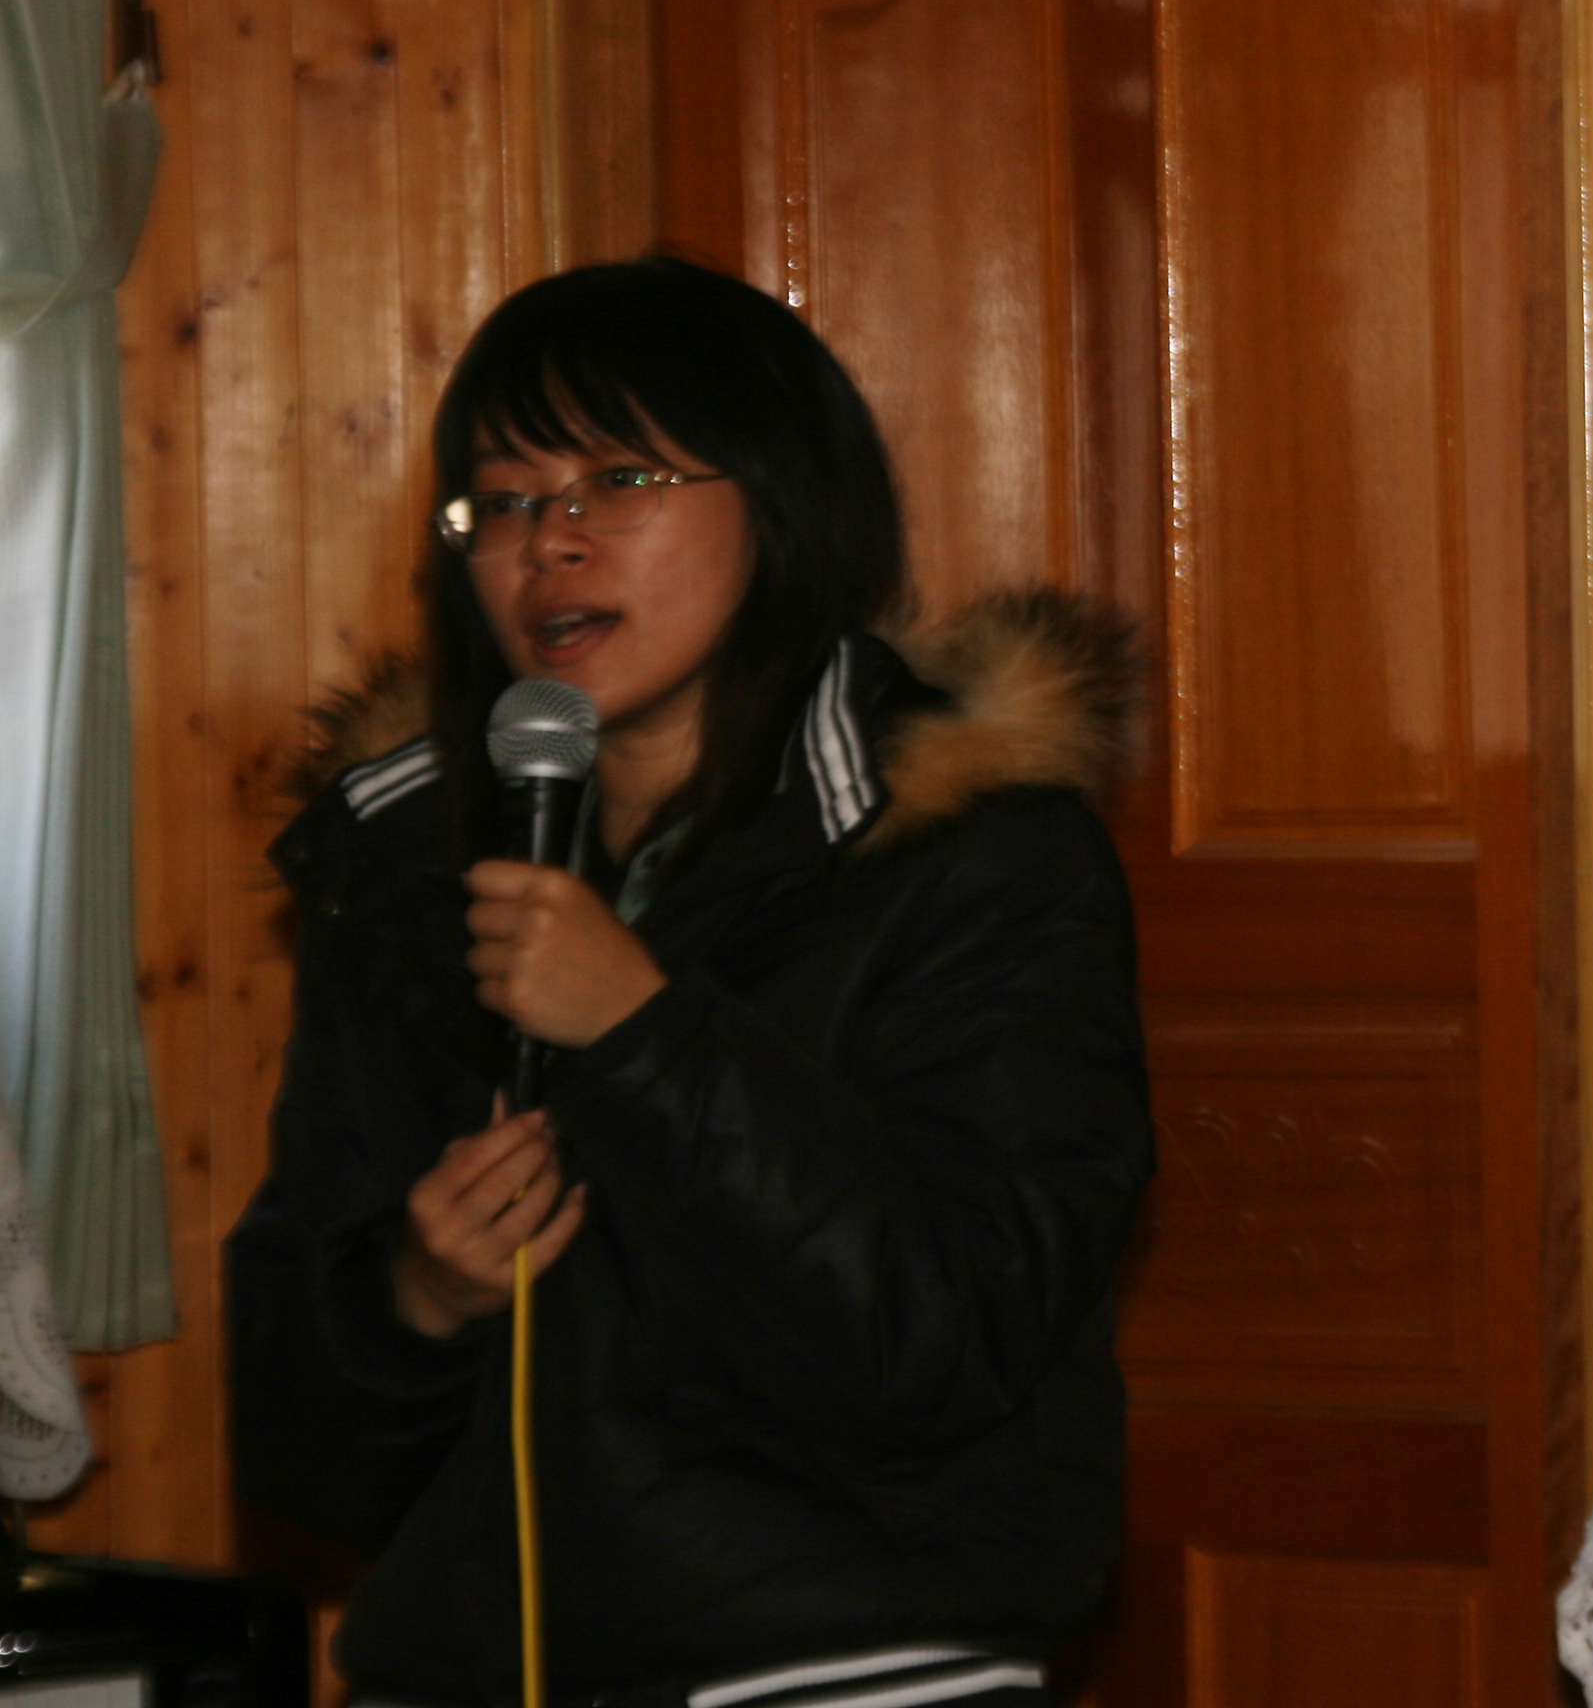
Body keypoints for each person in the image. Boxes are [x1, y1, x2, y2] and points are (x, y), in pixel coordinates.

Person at [226, 257, 1152, 1708]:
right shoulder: (406, 872)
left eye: (621, 480)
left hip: (848, 1667)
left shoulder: (978, 857)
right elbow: (298, 1464)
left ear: (781, 503)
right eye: (502, 502)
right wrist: (418, 1299)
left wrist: (643, 1030)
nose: (551, 542)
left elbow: (947, 1337)